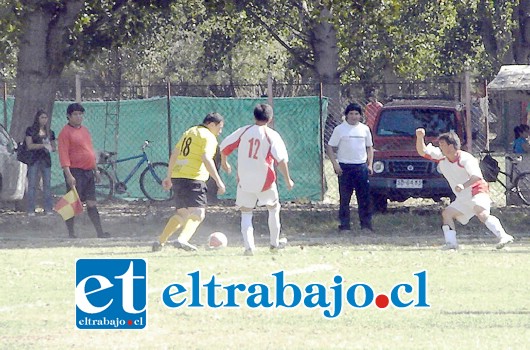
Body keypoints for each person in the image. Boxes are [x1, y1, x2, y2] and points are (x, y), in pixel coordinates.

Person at [415, 128, 513, 249]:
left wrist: (463, 185)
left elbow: (476, 177)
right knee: (447, 214)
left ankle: (504, 236)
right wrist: (420, 137)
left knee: (481, 213)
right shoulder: (441, 156)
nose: (439, 147)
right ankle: (451, 244)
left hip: (477, 190)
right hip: (463, 196)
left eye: (442, 144)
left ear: (451, 146)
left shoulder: (466, 159)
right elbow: (422, 151)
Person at [219, 104, 294, 256]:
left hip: (245, 179)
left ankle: (249, 247)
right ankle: (274, 243)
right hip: (265, 180)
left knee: (246, 213)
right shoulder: (271, 135)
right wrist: (288, 179)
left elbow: (224, 146)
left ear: (254, 117)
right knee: (273, 208)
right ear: (270, 118)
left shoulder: (244, 131)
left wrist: (224, 162)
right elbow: (281, 160)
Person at [152, 113, 226, 252]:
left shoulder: (189, 132)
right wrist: (218, 181)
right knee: (198, 213)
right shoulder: (209, 136)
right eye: (219, 127)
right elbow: (206, 158)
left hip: (178, 176)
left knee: (182, 213)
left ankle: (160, 241)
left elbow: (175, 153)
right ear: (211, 124)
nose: (220, 131)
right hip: (194, 177)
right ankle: (182, 240)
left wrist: (169, 176)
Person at [57, 103, 110, 238]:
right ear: (69, 116)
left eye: (81, 114)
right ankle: (71, 233)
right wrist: (68, 175)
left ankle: (100, 233)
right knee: (72, 203)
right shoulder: (65, 132)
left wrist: (96, 170)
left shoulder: (85, 130)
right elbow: (63, 155)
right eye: (75, 114)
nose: (79, 117)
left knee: (92, 202)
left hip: (88, 171)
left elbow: (90, 151)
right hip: (75, 172)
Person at [326, 102, 374, 232]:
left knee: (364, 198)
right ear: (346, 115)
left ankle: (366, 225)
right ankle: (344, 226)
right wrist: (335, 165)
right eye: (351, 114)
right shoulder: (340, 129)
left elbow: (369, 148)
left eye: (356, 114)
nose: (353, 116)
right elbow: (330, 147)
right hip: (344, 168)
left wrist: (369, 164)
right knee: (345, 198)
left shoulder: (364, 129)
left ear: (360, 116)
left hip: (361, 167)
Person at [25, 110, 56, 216]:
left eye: (46, 118)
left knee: (47, 185)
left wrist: (51, 147)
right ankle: (30, 209)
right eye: (42, 117)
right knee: (32, 184)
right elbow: (29, 146)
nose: (44, 120)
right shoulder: (30, 130)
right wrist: (42, 145)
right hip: (34, 159)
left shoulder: (50, 132)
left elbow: (53, 146)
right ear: (37, 118)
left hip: (46, 160)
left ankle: (48, 208)